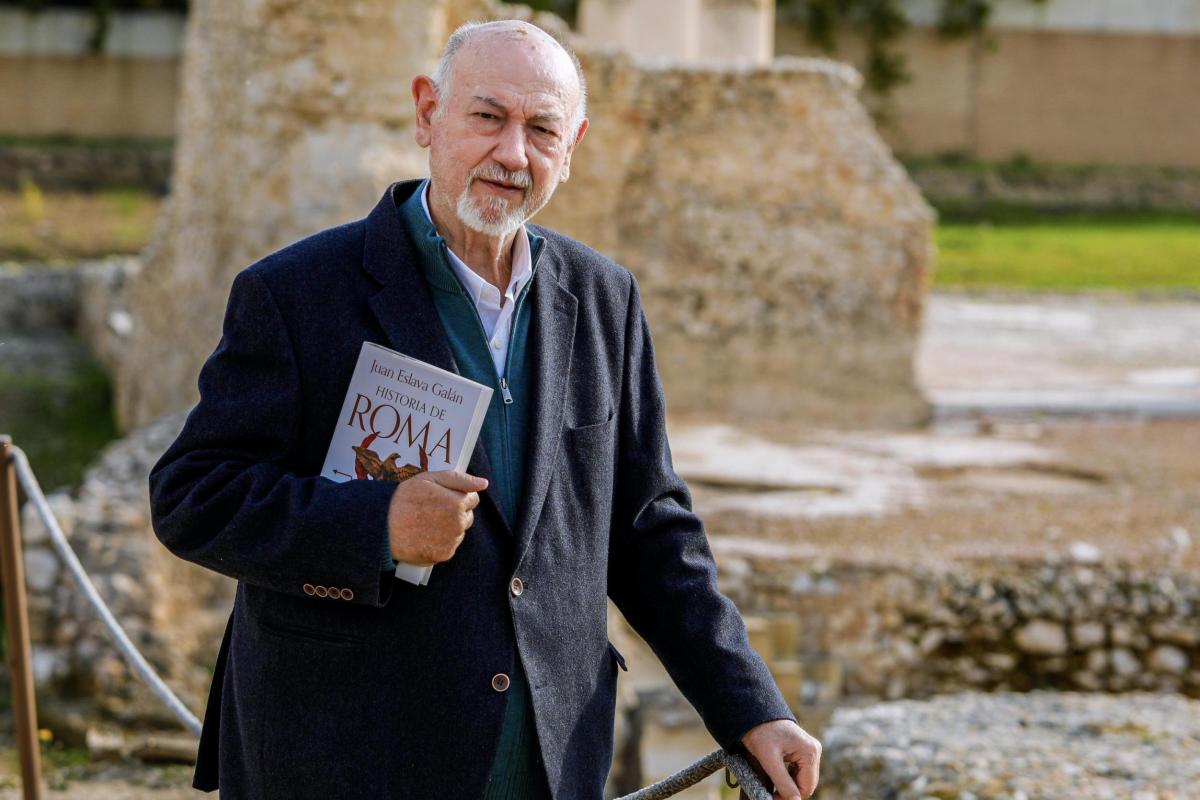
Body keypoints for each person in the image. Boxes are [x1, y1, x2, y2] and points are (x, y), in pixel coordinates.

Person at [149, 19, 821, 800]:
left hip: (545, 763)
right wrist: (376, 525)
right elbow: (192, 496)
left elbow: (649, 530)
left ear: (572, 147)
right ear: (428, 113)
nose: (513, 153)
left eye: (542, 130)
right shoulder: (296, 293)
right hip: (346, 757)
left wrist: (751, 707)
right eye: (488, 116)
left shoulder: (605, 298)